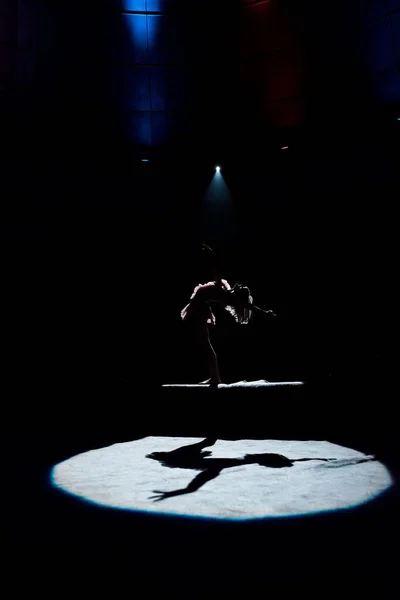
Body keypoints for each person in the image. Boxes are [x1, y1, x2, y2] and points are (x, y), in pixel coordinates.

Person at [181, 243, 276, 386]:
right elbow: (250, 305)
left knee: (205, 344)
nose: (240, 285)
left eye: (242, 288)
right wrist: (265, 312)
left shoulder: (226, 293)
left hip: (200, 308)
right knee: (204, 344)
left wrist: (211, 254)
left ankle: (215, 377)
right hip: (201, 306)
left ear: (239, 295)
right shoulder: (226, 290)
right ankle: (214, 376)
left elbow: (215, 270)